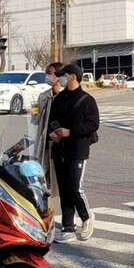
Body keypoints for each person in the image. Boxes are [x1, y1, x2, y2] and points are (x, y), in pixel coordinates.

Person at [47, 64, 99, 243]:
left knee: (75, 187)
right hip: (59, 150)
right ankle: (68, 227)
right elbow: (50, 122)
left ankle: (86, 217)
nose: (60, 78)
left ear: (73, 77)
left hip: (78, 150)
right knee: (64, 190)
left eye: (64, 75)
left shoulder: (87, 100)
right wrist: (51, 133)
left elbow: (93, 124)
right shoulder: (59, 99)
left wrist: (71, 131)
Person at [31, 62, 64, 197]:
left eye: (50, 73)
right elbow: (35, 120)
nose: (47, 77)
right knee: (41, 176)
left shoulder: (66, 96)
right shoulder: (43, 96)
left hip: (59, 144)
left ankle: (68, 211)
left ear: (59, 75)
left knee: (60, 179)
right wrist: (35, 110)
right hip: (44, 143)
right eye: (47, 74)